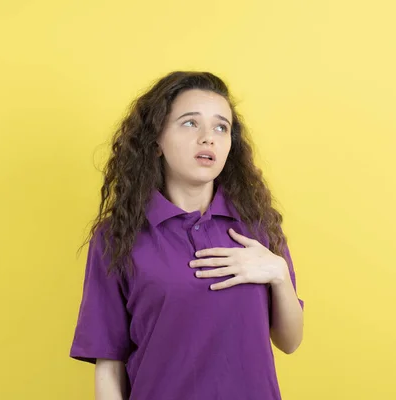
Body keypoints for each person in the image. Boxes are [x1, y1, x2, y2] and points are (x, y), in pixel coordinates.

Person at [70, 71, 304, 400]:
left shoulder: (257, 227)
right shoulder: (117, 237)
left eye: (221, 127)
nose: (208, 137)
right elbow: (109, 363)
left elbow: (290, 341)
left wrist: (279, 274)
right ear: (155, 142)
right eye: (191, 123)